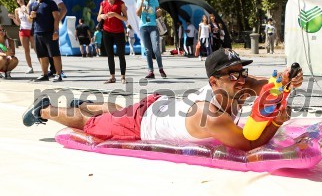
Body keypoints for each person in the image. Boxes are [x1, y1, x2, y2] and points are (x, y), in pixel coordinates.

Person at [22, 48, 304, 151]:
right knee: (90, 124)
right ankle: (45, 109)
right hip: (142, 124)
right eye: (231, 74)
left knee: (118, 110)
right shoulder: (210, 116)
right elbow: (249, 145)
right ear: (214, 82)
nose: (241, 78)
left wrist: (285, 78)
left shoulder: (238, 84)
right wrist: (277, 120)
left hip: (158, 106)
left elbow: (263, 83)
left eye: (241, 70)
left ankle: (80, 103)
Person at [29, 0, 67, 77]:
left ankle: (59, 73)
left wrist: (56, 29)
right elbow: (29, 15)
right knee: (42, 54)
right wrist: (30, 16)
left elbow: (62, 10)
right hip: (38, 31)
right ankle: (45, 74)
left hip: (50, 30)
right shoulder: (33, 0)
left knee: (54, 53)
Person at [97, 0, 128, 84]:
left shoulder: (120, 3)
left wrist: (115, 14)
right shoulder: (103, 3)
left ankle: (123, 77)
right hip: (107, 32)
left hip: (119, 31)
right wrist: (102, 16)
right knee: (110, 55)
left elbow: (125, 18)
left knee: (121, 54)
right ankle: (112, 77)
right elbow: (98, 18)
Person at [136, 0, 166, 79]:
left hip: (153, 26)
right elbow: (138, 13)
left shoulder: (154, 0)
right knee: (148, 50)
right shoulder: (138, 1)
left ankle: (161, 68)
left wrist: (159, 11)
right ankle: (150, 71)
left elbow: (158, 12)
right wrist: (142, 1)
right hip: (143, 27)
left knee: (156, 49)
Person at [8, 0, 35, 74]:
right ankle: (30, 67)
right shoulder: (17, 10)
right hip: (22, 31)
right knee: (26, 50)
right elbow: (18, 23)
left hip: (31, 30)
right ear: (16, 1)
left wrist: (26, 12)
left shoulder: (29, 6)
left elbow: (31, 20)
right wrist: (13, 18)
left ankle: (44, 67)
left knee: (37, 49)